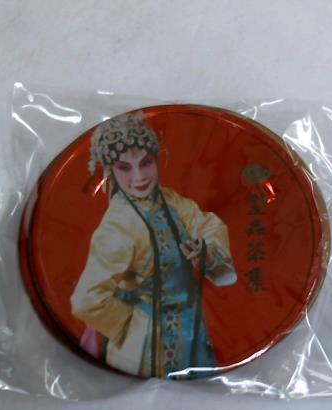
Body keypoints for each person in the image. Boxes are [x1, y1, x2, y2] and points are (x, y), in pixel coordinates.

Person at [71, 111, 236, 379]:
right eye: (125, 167)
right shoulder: (117, 226)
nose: (139, 177)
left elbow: (206, 224)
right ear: (110, 171)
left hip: (192, 329)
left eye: (146, 163)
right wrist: (134, 325)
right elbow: (87, 299)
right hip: (146, 344)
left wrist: (206, 251)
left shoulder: (169, 200)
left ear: (158, 160)